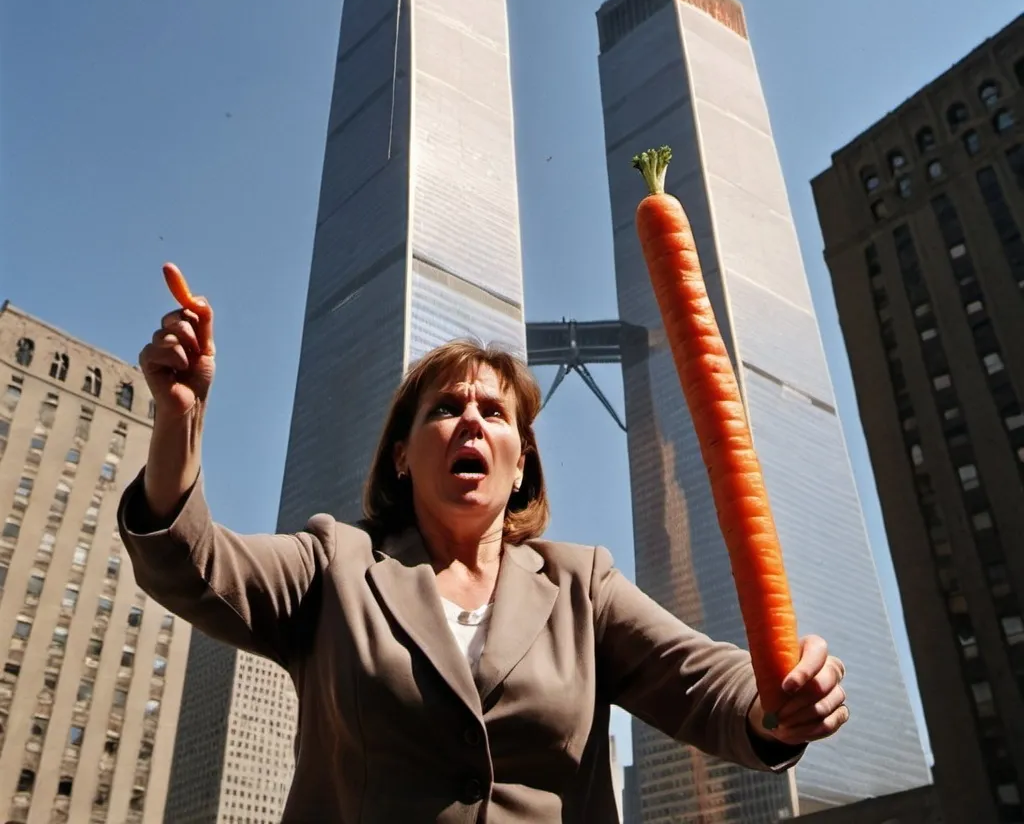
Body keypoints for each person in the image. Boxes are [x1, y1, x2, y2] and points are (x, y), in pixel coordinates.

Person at [118, 290, 849, 823]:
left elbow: (704, 682)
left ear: (522, 459)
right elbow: (190, 562)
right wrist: (179, 419)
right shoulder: (334, 564)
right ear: (402, 457)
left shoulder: (580, 585)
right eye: (445, 407)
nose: (470, 417)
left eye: (494, 412)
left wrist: (777, 701)